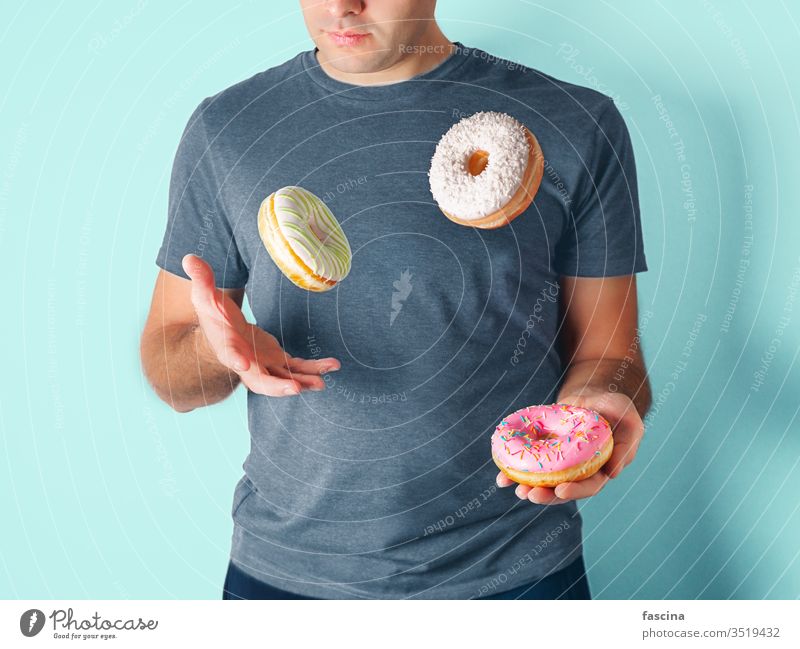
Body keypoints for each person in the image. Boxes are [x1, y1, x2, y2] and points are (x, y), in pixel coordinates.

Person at [140, 0, 652, 600]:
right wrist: (218, 350)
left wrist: (603, 401)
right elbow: (172, 374)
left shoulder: (573, 122)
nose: (340, 6)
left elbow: (611, 355)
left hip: (514, 576)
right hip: (284, 579)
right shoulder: (229, 127)